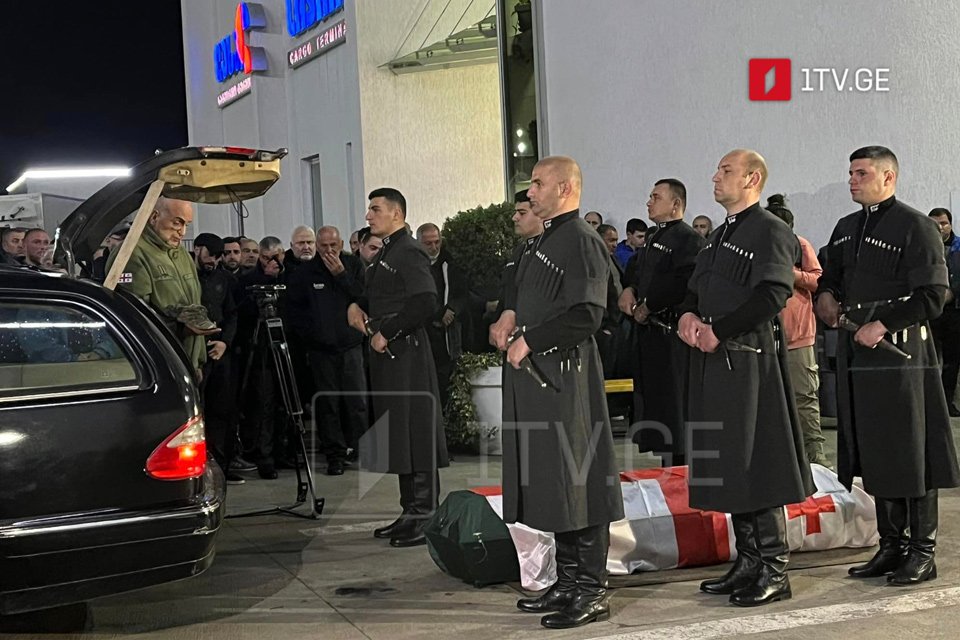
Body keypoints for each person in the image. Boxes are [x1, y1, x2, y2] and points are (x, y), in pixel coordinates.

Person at [815, 145, 960, 585]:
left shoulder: (916, 226)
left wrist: (882, 323)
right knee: (874, 449)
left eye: (861, 173)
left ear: (888, 177)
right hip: (859, 356)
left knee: (911, 451)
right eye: (851, 172)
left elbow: (934, 295)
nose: (852, 180)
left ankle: (923, 550)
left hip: (901, 357)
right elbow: (829, 276)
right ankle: (890, 545)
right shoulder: (845, 229)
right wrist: (824, 296)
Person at [491, 157, 623, 629]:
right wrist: (510, 315)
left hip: (567, 379)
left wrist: (532, 340)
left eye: (539, 184)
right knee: (555, 480)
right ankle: (567, 582)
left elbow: (588, 314)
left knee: (578, 479)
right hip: (541, 379)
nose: (530, 192)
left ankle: (591, 590)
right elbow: (531, 296)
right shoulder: (545, 237)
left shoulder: (581, 240)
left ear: (566, 188)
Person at [678, 149, 813, 607]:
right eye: (717, 169)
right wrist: (689, 316)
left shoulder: (772, 230)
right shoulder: (716, 237)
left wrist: (720, 330)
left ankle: (774, 567)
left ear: (752, 178)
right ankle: (749, 560)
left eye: (726, 171)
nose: (715, 177)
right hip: (715, 361)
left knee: (758, 461)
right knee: (731, 461)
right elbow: (694, 290)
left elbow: (774, 293)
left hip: (749, 360)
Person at [347, 188, 448, 548]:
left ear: (396, 213)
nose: (369, 215)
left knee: (414, 429)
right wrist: (356, 307)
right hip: (389, 353)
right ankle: (410, 511)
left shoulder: (408, 251)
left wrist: (387, 331)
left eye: (375, 209)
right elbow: (378, 293)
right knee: (399, 433)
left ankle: (424, 514)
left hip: (405, 352)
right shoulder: (387, 251)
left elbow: (425, 301)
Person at [618, 178, 705, 466]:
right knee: (659, 409)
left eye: (656, 196)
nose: (649, 201)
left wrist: (651, 304)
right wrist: (629, 289)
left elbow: (686, 282)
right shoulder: (654, 237)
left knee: (676, 409)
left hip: (672, 337)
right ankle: (669, 465)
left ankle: (682, 469)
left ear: (675, 204)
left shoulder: (688, 239)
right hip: (649, 336)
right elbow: (637, 271)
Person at [287, 226, 368, 476]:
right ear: (317, 246)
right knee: (328, 404)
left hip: (351, 346)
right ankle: (335, 455)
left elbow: (364, 297)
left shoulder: (353, 265)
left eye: (334, 245)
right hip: (321, 351)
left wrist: (341, 275)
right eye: (324, 246)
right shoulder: (305, 272)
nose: (329, 251)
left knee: (357, 401)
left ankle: (362, 450)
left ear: (341, 243)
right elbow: (294, 311)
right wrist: (312, 337)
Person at [108, 197, 215, 376]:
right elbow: (134, 316)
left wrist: (198, 360)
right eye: (177, 223)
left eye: (186, 224)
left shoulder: (181, 254)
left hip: (188, 361)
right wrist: (181, 328)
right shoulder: (131, 254)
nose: (183, 232)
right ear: (154, 217)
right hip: (158, 363)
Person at [766, 194, 829, 467]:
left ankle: (815, 458)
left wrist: (793, 275)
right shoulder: (758, 249)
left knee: (804, 398)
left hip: (798, 337)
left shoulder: (800, 245)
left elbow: (818, 279)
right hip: (763, 339)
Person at [192, 233, 244, 485]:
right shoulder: (187, 279)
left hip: (221, 352)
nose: (212, 260)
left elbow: (233, 314)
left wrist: (226, 342)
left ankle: (223, 466)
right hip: (195, 353)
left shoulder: (226, 280)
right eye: (209, 255)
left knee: (223, 411)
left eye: (217, 256)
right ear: (197, 250)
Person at [417, 222, 468, 412]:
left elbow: (463, 293)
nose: (434, 247)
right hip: (424, 328)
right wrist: (439, 312)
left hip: (447, 333)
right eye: (428, 243)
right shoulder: (415, 264)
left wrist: (452, 310)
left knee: (446, 375)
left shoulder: (450, 263)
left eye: (437, 242)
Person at [928, 207, 960, 416]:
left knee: (952, 359)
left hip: (954, 312)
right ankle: (929, 402)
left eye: (943, 223)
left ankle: (947, 403)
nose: (939, 228)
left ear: (950, 224)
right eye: (935, 223)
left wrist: (952, 293)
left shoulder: (958, 248)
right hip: (928, 310)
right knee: (927, 358)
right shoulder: (922, 246)